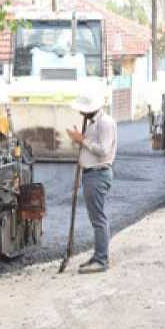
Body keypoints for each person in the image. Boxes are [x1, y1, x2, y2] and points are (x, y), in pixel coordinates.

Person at [65, 88, 117, 274]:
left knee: (98, 218)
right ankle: (98, 255)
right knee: (96, 218)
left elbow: (103, 150)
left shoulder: (105, 123)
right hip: (91, 174)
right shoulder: (92, 122)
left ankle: (102, 259)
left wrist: (82, 140)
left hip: (98, 173)